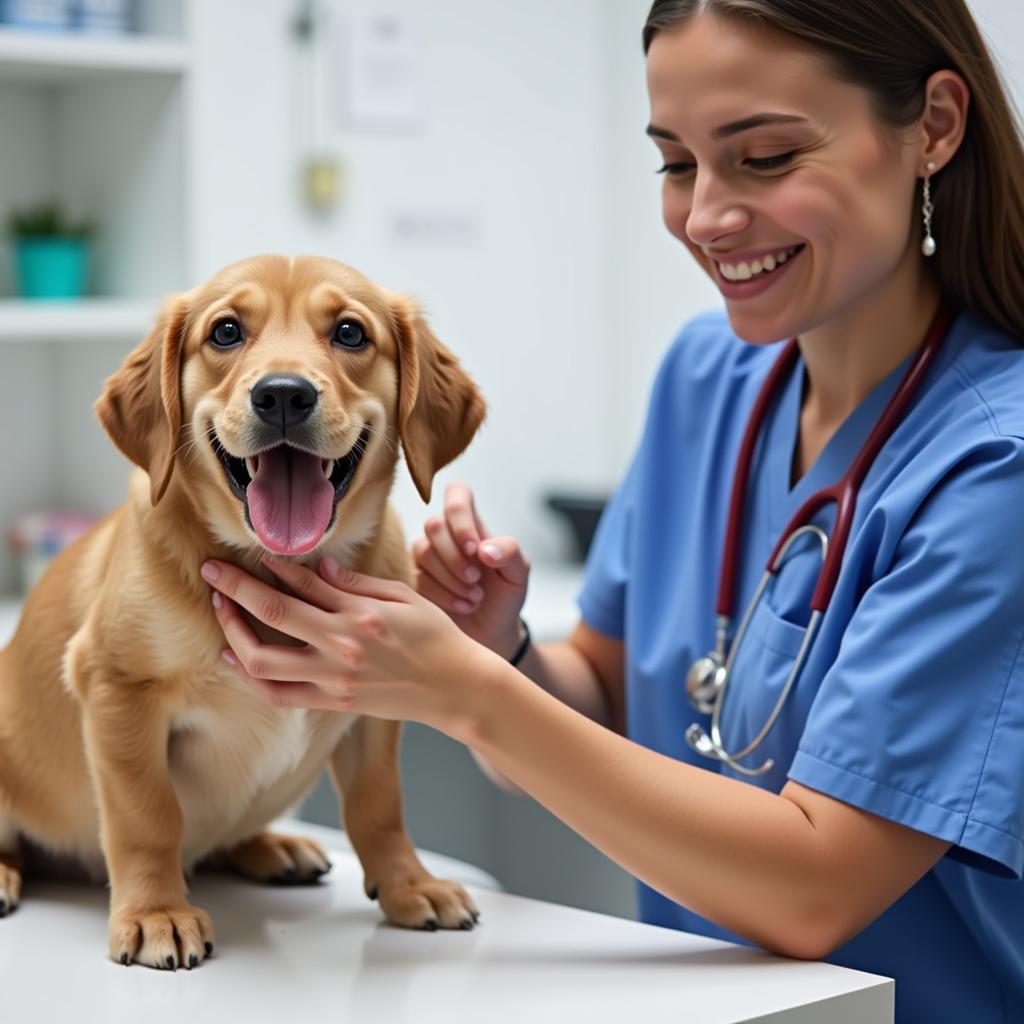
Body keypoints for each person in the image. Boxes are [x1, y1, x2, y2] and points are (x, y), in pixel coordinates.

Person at [200, 1, 1024, 1018]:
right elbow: (608, 693)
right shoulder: (706, 377)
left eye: (764, 156)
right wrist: (502, 653)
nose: (707, 215)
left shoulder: (996, 462)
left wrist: (461, 691)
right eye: (676, 165)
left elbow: (818, 888)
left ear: (934, 126)